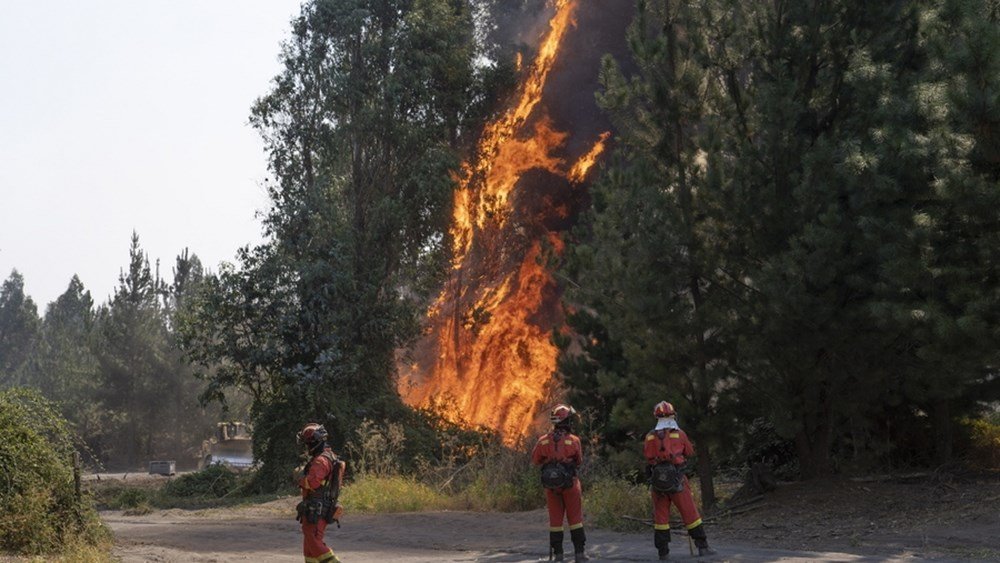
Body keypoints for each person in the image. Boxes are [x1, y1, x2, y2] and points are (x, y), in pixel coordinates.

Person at [644, 401, 716, 559]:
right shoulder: (680, 433)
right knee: (690, 513)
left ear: (656, 416)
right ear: (673, 415)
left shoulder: (649, 436)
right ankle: (702, 547)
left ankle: (663, 553)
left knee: (661, 517)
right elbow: (689, 452)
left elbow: (647, 456)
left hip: (658, 482)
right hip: (677, 480)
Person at [531, 404, 587, 562]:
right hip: (571, 486)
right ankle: (579, 554)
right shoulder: (574, 440)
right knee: (575, 519)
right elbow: (578, 461)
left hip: (551, 488)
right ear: (567, 421)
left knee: (555, 521)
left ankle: (558, 555)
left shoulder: (543, 441)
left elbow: (535, 460)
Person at [295, 423, 345, 563]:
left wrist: (300, 478)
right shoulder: (330, 456)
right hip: (319, 505)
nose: (307, 447)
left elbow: (312, 483)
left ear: (314, 443)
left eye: (307, 444)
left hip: (317, 508)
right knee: (309, 547)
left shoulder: (321, 461)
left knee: (314, 541)